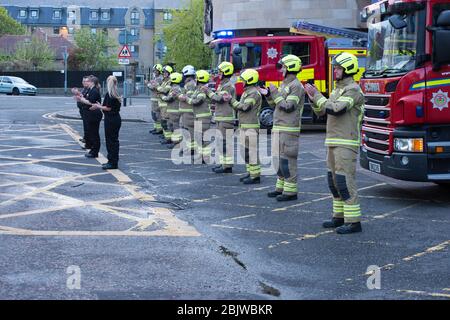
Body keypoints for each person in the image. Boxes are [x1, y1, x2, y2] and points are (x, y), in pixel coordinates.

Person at [305, 52, 364, 234]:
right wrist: (313, 97)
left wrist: (319, 97)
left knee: (344, 181)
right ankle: (339, 217)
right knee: (333, 182)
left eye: (338, 68)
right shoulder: (337, 90)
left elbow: (337, 109)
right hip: (333, 140)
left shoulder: (353, 90)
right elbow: (323, 112)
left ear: (348, 69)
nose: (335, 71)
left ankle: (353, 222)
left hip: (346, 141)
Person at [262, 55, 305, 202]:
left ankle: (291, 192)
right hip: (279, 127)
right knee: (279, 160)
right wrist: (268, 96)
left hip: (289, 129)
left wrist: (274, 92)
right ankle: (280, 188)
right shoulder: (284, 84)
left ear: (290, 68)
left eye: (284, 67)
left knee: (288, 161)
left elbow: (288, 107)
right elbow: (276, 106)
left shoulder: (296, 86)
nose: (281, 70)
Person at [230, 69, 262, 184]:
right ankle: (250, 173)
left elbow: (245, 107)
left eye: (243, 80)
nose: (241, 82)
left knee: (251, 152)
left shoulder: (253, 93)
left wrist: (231, 100)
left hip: (251, 127)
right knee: (246, 151)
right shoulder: (247, 91)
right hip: (245, 126)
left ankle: (255, 176)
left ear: (249, 80)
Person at [203, 61, 236, 174]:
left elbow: (219, 98)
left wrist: (208, 91)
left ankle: (227, 166)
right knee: (221, 143)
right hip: (221, 118)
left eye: (220, 71)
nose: (218, 73)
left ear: (226, 72)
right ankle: (224, 164)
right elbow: (215, 98)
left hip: (225, 118)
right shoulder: (223, 85)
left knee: (225, 143)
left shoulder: (228, 86)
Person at [90, 76, 122, 170]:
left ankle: (113, 162)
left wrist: (98, 106)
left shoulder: (110, 94)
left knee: (111, 141)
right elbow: (108, 106)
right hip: (114, 119)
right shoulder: (115, 93)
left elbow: (108, 108)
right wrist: (100, 106)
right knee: (112, 141)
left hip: (111, 119)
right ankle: (111, 161)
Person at [180, 70, 212, 163]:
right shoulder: (199, 89)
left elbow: (197, 101)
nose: (195, 80)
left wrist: (187, 99)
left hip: (203, 117)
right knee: (200, 139)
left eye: (197, 78)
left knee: (203, 139)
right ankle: (202, 157)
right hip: (199, 116)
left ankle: (205, 158)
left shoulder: (202, 90)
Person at [76, 76, 102, 158]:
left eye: (88, 81)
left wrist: (83, 100)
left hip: (93, 114)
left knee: (94, 134)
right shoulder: (91, 90)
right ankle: (92, 150)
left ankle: (95, 152)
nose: (86, 82)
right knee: (91, 133)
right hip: (89, 114)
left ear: (92, 82)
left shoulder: (94, 91)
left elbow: (91, 102)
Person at [178, 65, 197, 156]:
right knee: (187, 130)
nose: (182, 77)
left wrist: (181, 96)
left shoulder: (190, 84)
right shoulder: (189, 84)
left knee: (189, 130)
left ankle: (191, 149)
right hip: (186, 111)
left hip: (189, 112)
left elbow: (189, 97)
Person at [162, 72, 183, 149]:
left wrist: (162, 97)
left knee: (175, 127)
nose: (169, 80)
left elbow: (168, 99)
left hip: (175, 111)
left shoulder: (175, 89)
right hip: (172, 111)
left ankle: (177, 143)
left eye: (171, 79)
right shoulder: (174, 88)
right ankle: (174, 141)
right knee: (172, 126)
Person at [157, 65, 174, 144]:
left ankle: (169, 139)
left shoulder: (170, 81)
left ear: (169, 73)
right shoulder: (164, 81)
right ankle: (166, 137)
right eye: (163, 72)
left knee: (166, 122)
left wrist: (157, 87)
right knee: (163, 121)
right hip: (161, 104)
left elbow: (164, 91)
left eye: (165, 72)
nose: (163, 73)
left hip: (165, 105)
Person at [72, 76, 90, 147]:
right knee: (85, 126)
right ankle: (86, 139)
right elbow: (81, 97)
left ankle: (88, 143)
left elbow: (86, 99)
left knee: (88, 127)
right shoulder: (84, 89)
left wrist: (78, 94)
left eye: (85, 81)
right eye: (83, 81)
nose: (84, 83)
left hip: (87, 111)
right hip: (82, 110)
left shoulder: (89, 90)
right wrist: (77, 94)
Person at [147, 64, 164, 135]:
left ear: (159, 71)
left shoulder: (159, 78)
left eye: (156, 70)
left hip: (156, 99)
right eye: (154, 70)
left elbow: (153, 87)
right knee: (154, 114)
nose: (154, 72)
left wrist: (147, 84)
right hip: (154, 98)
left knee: (157, 114)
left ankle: (159, 129)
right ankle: (156, 128)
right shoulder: (155, 78)